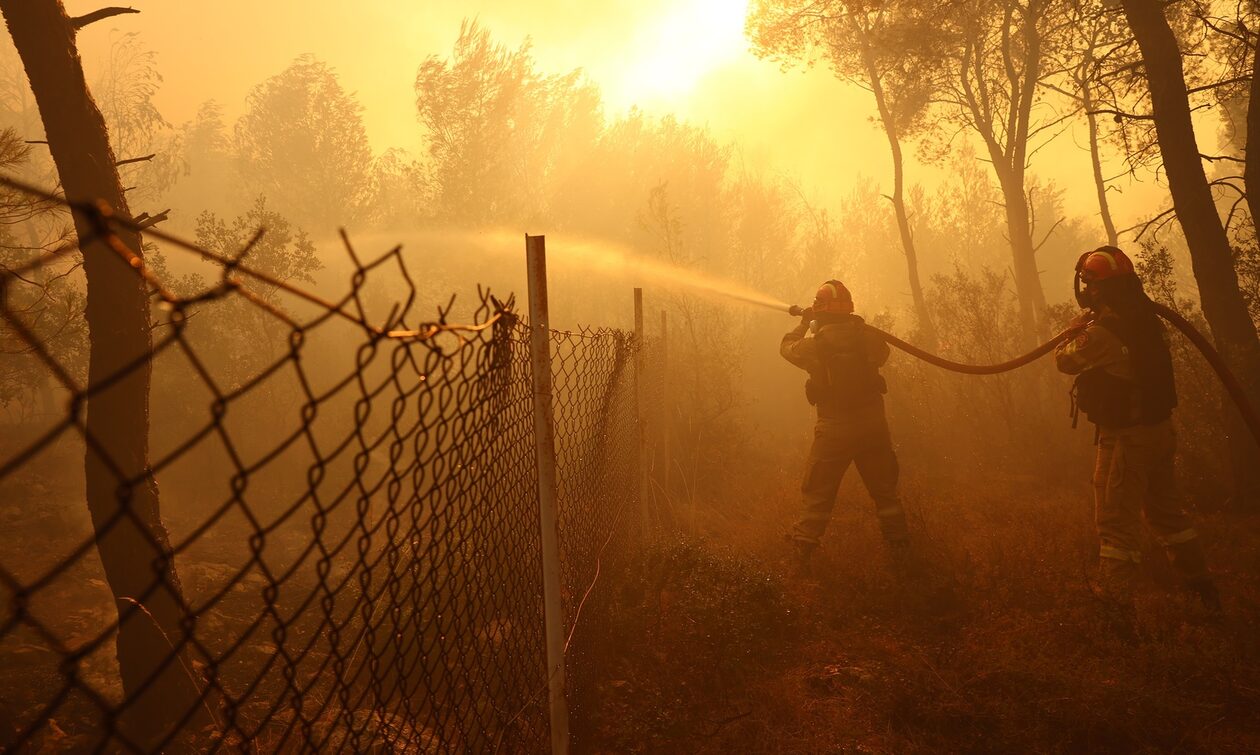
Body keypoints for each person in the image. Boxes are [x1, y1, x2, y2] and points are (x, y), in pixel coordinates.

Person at [1054, 245, 1220, 628]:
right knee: (1167, 515)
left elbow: (1065, 361)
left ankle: (1115, 616)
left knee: (1115, 524)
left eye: (1088, 284)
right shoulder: (1144, 318)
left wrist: (1072, 333)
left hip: (1127, 439)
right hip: (1159, 432)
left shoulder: (1104, 332)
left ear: (1095, 287)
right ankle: (1203, 592)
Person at [781, 280, 912, 576]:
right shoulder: (868, 338)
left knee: (817, 494)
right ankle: (902, 554)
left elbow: (786, 348)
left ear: (819, 309)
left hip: (834, 430)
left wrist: (804, 324)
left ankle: (801, 560)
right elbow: (883, 353)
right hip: (873, 427)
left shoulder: (814, 345)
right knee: (885, 494)